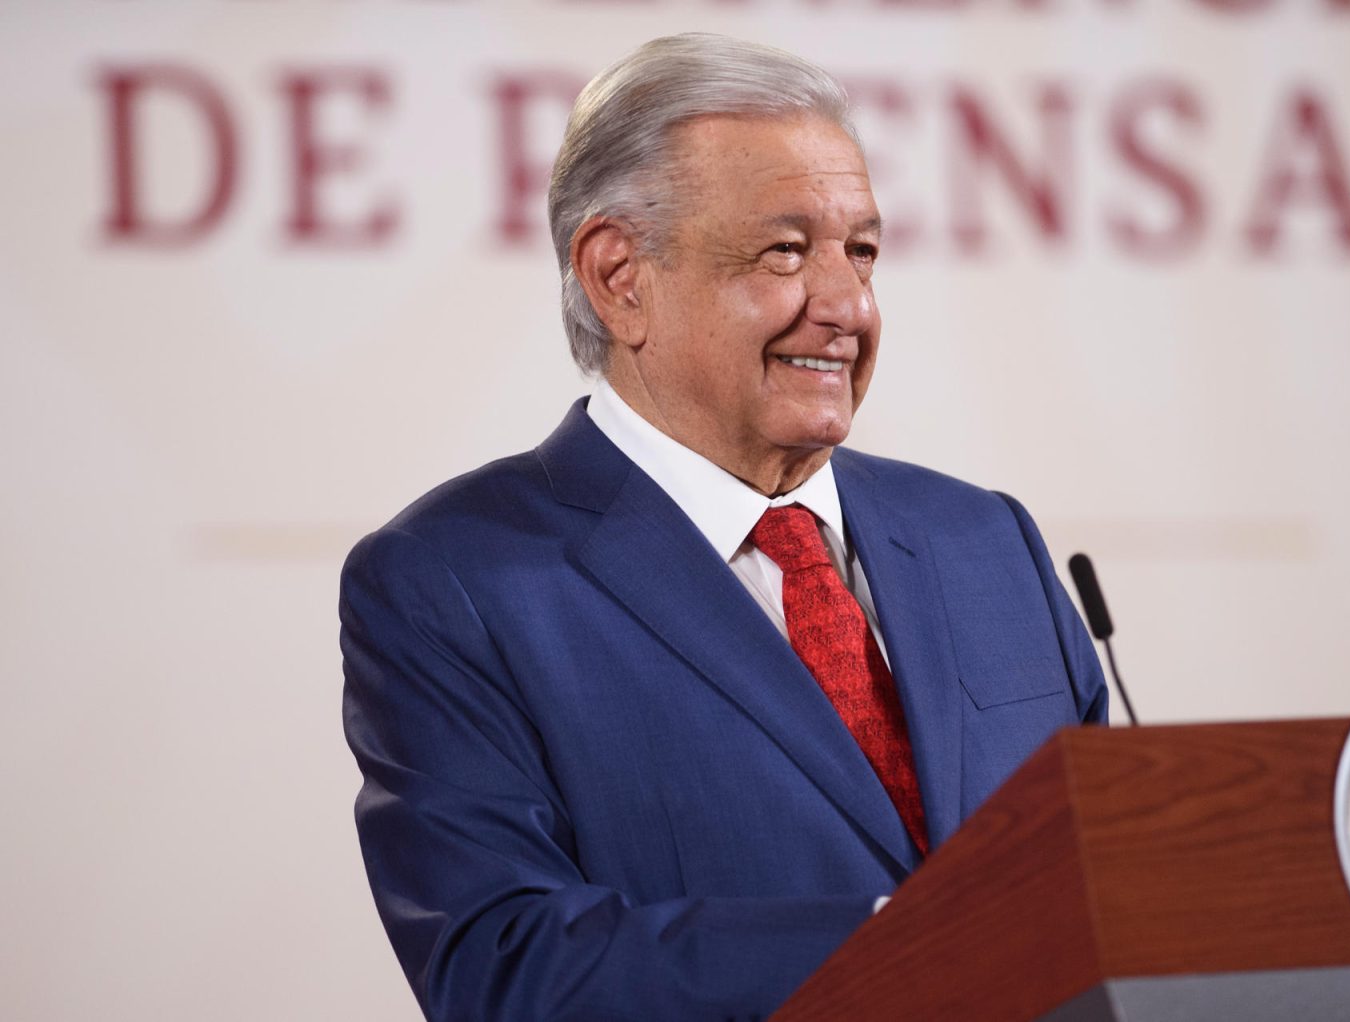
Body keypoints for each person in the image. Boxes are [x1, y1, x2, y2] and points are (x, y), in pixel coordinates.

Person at [341, 33, 1107, 1021]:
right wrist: (908, 935)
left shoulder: (981, 537)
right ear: (621, 276)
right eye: (786, 251)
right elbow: (508, 965)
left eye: (861, 252)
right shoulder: (457, 580)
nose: (846, 305)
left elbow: (1108, 878)